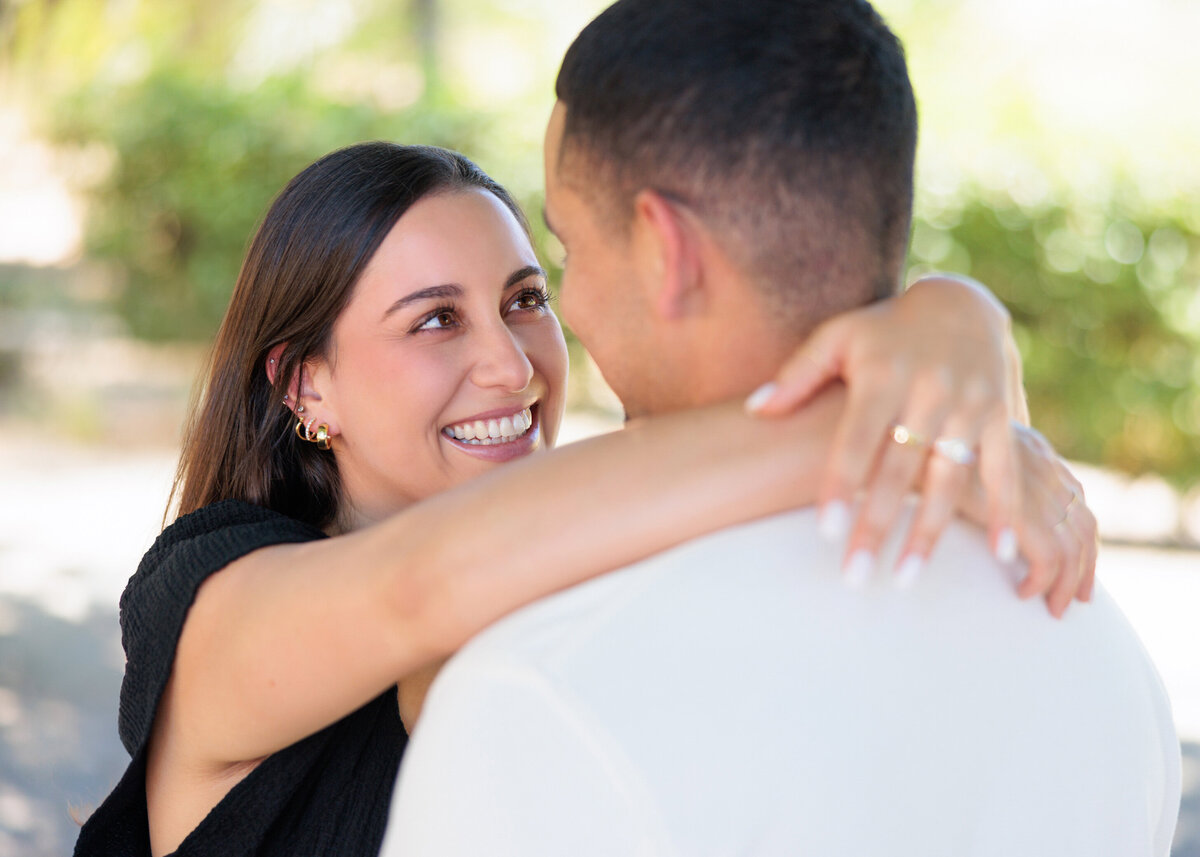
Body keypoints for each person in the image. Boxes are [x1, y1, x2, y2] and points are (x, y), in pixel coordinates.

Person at [75, 145, 1084, 856]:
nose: (512, 366)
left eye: (526, 299)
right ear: (306, 385)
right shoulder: (209, 595)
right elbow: (420, 585)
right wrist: (899, 406)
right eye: (435, 321)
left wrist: (959, 313)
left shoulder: (580, 566)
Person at [381, 1, 1182, 855]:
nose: (567, 313)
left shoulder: (540, 688)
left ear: (666, 251)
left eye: (569, 254)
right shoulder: (1100, 643)